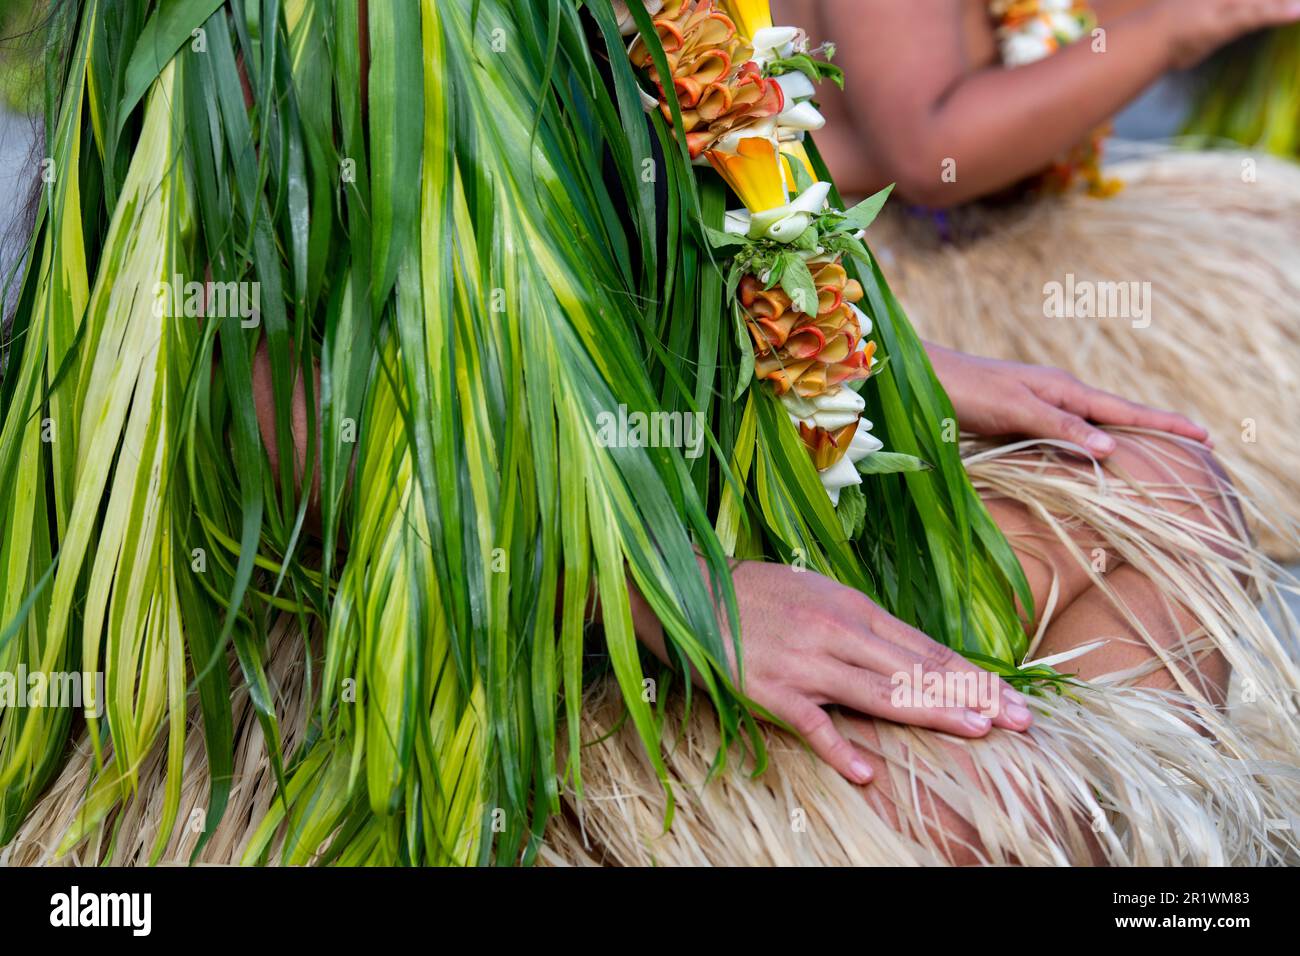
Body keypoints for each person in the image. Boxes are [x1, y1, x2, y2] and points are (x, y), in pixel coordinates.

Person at [3, 0, 1297, 869]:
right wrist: (657, 596)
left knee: (1155, 481)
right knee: (990, 814)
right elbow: (248, 390)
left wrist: (883, 359)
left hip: (666, 465)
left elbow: (659, 200)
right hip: (459, 599)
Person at [773, 0, 1300, 560]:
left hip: (985, 232)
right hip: (848, 278)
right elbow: (929, 152)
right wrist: (1178, 27)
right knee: (1178, 498)